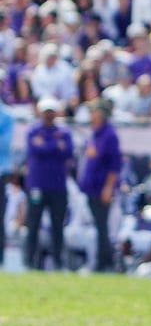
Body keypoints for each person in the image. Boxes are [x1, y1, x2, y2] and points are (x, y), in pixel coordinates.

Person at [24, 98, 74, 270]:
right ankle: (30, 262)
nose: (49, 115)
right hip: (37, 185)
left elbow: (67, 152)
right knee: (33, 225)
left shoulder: (64, 132)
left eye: (51, 111)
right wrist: (54, 146)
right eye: (46, 112)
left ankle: (58, 262)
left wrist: (45, 145)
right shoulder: (33, 131)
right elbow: (34, 150)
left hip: (58, 186)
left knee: (58, 225)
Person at [77, 97, 123, 272]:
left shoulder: (109, 135)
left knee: (102, 227)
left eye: (94, 111)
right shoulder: (95, 133)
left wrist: (108, 187)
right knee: (99, 226)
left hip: (101, 188)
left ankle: (105, 263)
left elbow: (114, 165)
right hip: (91, 188)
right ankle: (103, 261)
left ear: (102, 113)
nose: (91, 114)